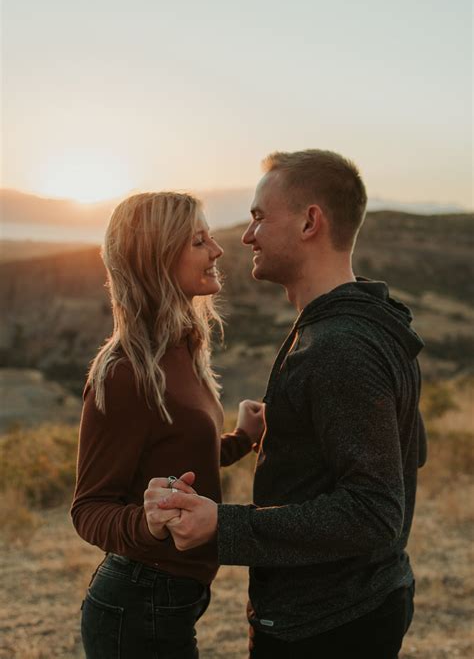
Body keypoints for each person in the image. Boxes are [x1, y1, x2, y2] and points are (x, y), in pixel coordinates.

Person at [152, 150, 428, 659]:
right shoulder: (374, 322)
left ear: (309, 222)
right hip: (359, 602)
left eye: (259, 217)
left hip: (325, 625)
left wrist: (222, 524)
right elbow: (405, 451)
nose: (246, 236)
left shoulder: (340, 346)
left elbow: (375, 511)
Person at [71, 191, 264, 659]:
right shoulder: (124, 372)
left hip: (172, 598)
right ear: (157, 258)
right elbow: (89, 507)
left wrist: (241, 439)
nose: (218, 251)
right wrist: (149, 524)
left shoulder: (180, 347)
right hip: (138, 603)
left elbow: (176, 459)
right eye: (200, 241)